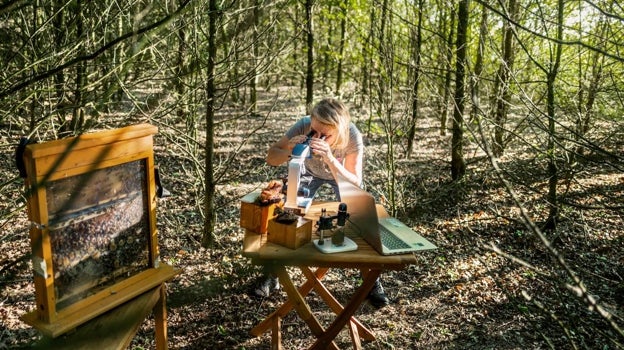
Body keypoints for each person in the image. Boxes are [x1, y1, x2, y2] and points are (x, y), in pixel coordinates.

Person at [253, 98, 390, 309]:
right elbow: (271, 156)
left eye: (325, 135)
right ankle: (273, 273)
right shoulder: (304, 124)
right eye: (314, 131)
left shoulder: (352, 136)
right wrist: (291, 149)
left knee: (358, 216)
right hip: (309, 171)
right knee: (287, 211)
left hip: (339, 174)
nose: (316, 137)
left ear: (340, 130)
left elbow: (355, 180)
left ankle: (372, 281)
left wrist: (330, 158)